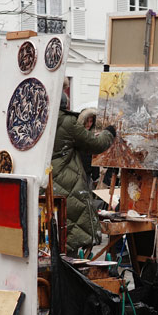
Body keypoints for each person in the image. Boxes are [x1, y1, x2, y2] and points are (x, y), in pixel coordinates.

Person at [51, 106, 115, 255]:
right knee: (69, 232)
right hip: (67, 182)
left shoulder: (41, 116)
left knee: (57, 231)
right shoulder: (68, 121)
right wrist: (109, 132)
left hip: (50, 180)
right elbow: (96, 144)